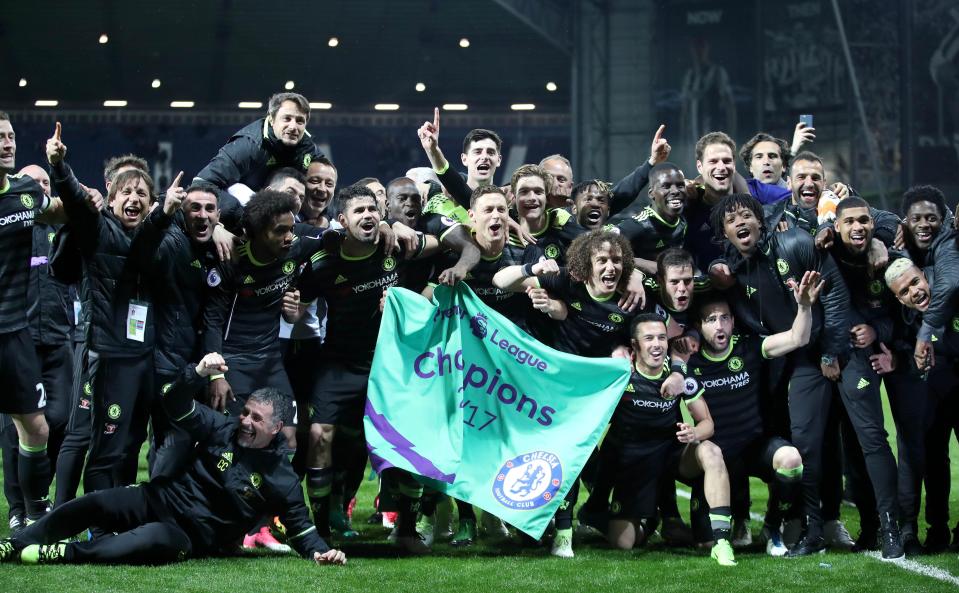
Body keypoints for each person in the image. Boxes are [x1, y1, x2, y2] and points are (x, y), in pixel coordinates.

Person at [0, 352, 346, 567]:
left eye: (257, 420)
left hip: (188, 535)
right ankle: (17, 543)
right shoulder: (221, 427)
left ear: (277, 428)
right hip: (158, 497)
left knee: (147, 540)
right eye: (247, 413)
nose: (246, 421)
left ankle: (64, 554)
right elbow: (175, 407)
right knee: (95, 503)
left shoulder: (282, 479)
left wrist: (322, 552)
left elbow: (303, 531)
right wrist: (195, 375)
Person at [295, 185, 440, 553]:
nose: (367, 216)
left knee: (407, 441)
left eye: (372, 210)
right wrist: (290, 308)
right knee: (320, 436)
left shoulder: (396, 249)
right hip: (340, 362)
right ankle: (322, 529)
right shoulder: (323, 263)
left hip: (391, 364)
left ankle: (406, 529)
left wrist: (407, 298)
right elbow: (301, 301)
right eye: (358, 211)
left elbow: (445, 244)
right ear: (342, 221)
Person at [48, 123, 167, 497]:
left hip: (137, 352)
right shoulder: (97, 229)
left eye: (141, 192)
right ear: (111, 199)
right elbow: (75, 206)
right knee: (81, 433)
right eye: (125, 191)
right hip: (96, 346)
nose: (133, 198)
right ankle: (64, 510)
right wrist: (59, 167)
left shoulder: (156, 237)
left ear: (152, 202)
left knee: (128, 435)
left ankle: (117, 507)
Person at [687, 271, 823, 556]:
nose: (719, 325)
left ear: (733, 322)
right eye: (711, 320)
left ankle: (773, 527)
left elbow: (798, 338)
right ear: (699, 327)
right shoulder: (691, 362)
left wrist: (805, 306)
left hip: (754, 447)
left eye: (724, 318)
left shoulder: (749, 347)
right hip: (718, 458)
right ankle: (734, 521)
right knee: (703, 543)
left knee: (791, 459)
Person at [606, 314, 736, 567]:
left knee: (711, 451)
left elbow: (708, 423)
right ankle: (652, 519)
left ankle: (722, 542)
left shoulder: (680, 377)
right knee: (621, 543)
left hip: (673, 456)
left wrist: (694, 434)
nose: (657, 344)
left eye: (662, 338)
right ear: (635, 345)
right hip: (637, 462)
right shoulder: (621, 376)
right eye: (649, 338)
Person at [193, 92, 325, 231]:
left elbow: (328, 186)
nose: (293, 127)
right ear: (272, 119)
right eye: (287, 118)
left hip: (280, 215)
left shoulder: (309, 149)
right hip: (244, 214)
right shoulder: (248, 145)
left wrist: (325, 217)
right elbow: (202, 183)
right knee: (237, 190)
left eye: (300, 121)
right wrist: (243, 216)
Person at [614, 162, 687, 274]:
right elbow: (599, 246)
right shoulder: (639, 225)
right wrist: (642, 264)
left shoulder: (684, 219)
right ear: (651, 193)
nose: (675, 191)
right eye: (666, 186)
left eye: (680, 185)